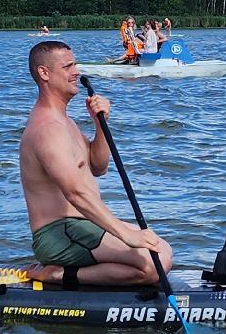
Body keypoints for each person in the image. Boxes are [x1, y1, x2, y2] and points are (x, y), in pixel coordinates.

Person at [20, 41, 174, 287]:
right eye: (68, 66)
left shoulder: (64, 122)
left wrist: (100, 124)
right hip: (60, 233)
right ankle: (58, 275)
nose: (76, 72)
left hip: (82, 227)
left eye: (75, 65)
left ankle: (79, 270)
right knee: (154, 265)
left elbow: (98, 167)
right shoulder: (47, 129)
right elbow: (75, 192)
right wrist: (127, 236)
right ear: (44, 73)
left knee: (162, 250)